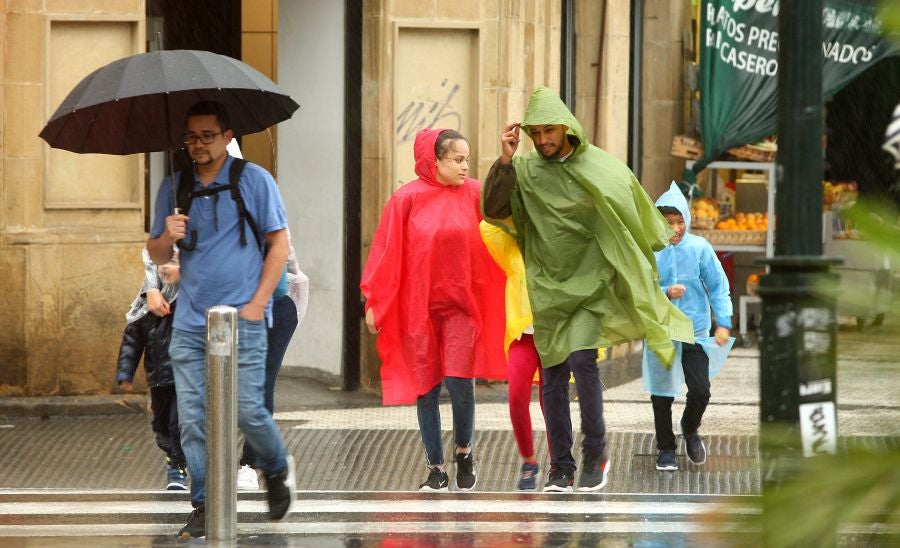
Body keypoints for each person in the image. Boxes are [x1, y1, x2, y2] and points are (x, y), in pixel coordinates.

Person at [481, 86, 694, 493]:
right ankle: (561, 466)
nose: (543, 139)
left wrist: (647, 245)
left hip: (591, 287)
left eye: (549, 131)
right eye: (535, 133)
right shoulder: (523, 170)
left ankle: (595, 454)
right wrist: (505, 160)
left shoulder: (598, 166)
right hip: (548, 289)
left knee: (582, 361)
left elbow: (630, 203)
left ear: (566, 127)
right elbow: (493, 209)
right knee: (553, 377)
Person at [147, 100, 294, 539]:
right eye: (191, 137)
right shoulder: (174, 187)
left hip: (243, 317)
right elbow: (156, 252)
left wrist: (258, 303)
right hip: (191, 323)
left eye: (207, 136)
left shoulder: (254, 180)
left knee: (248, 410)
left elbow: (279, 244)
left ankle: (274, 466)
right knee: (192, 420)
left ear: (228, 136)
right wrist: (166, 236)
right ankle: (205, 502)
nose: (198, 144)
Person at [360, 128, 507, 492]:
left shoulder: (474, 193)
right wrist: (374, 302)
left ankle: (464, 451)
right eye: (457, 159)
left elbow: (506, 210)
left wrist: (507, 160)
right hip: (419, 307)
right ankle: (436, 467)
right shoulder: (405, 199)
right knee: (425, 387)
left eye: (466, 159)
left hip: (461, 306)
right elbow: (386, 251)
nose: (465, 166)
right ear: (434, 160)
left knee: (460, 381)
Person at [643, 182, 734, 471]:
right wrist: (666, 292)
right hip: (661, 331)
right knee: (661, 393)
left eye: (680, 221)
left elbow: (718, 287)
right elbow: (640, 290)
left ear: (688, 220)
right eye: (668, 222)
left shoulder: (700, 248)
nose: (676, 228)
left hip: (695, 332)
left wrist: (724, 322)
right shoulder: (650, 250)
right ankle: (666, 448)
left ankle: (690, 427)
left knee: (701, 390)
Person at [480, 220, 547, 491]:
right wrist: (512, 214)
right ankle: (529, 462)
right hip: (523, 337)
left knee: (552, 402)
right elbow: (487, 226)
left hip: (554, 337)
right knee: (517, 397)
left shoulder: (558, 242)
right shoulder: (512, 248)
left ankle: (560, 465)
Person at [237, 235, 308, 490]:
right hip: (228, 300)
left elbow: (282, 255)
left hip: (276, 301)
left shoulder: (265, 214)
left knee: (261, 382)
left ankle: (250, 464)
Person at [115, 247, 186, 491]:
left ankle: (177, 465)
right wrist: (125, 372)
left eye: (172, 264)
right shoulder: (146, 309)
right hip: (159, 379)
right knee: (161, 425)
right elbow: (132, 341)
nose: (166, 270)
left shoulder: (189, 304)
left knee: (179, 422)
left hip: (185, 378)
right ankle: (173, 454)